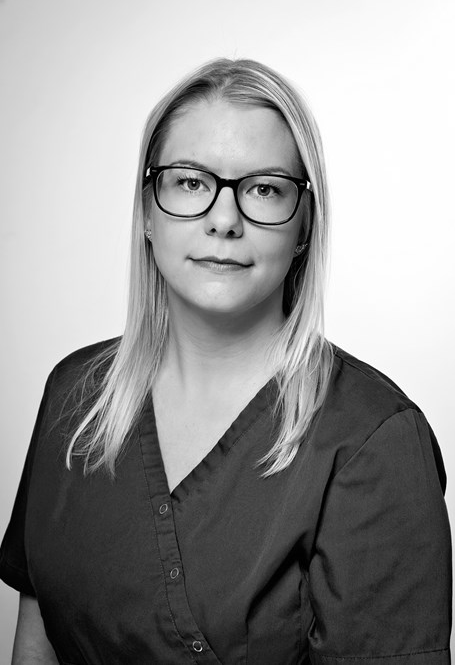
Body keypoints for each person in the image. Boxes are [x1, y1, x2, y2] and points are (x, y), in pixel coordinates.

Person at [0, 58, 451, 664]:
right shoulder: (75, 396)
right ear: (146, 211)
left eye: (264, 189)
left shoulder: (373, 439)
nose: (224, 220)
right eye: (190, 182)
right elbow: (37, 642)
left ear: (304, 227)